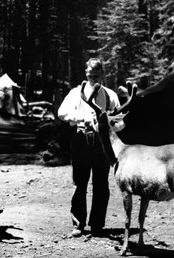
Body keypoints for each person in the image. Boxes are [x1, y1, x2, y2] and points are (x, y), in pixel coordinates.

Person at [57, 58, 120, 237]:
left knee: (101, 183)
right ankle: (78, 224)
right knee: (80, 183)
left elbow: (120, 121)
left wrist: (112, 125)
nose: (92, 77)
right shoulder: (76, 93)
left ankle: (97, 225)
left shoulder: (110, 95)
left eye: (96, 74)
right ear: (86, 73)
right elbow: (62, 113)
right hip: (81, 140)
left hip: (102, 143)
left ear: (102, 74)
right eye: (89, 74)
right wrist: (81, 117)